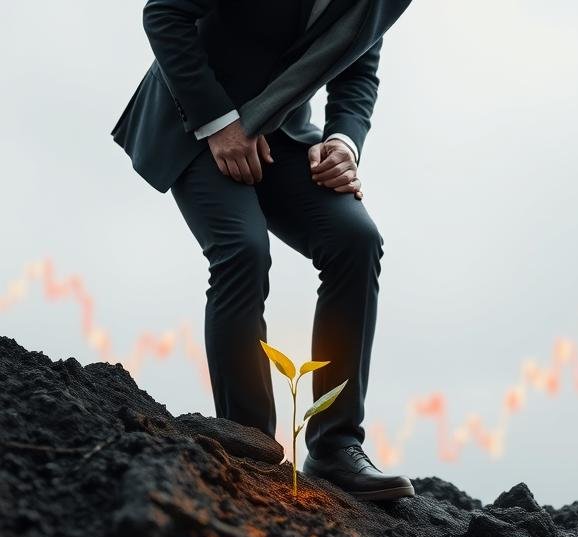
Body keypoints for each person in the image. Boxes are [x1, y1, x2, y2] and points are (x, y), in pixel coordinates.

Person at [111, 0, 414, 501]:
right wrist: (217, 122)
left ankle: (336, 446)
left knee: (357, 240)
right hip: (197, 122)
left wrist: (342, 142)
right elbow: (164, 13)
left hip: (284, 132)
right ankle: (246, 440)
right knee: (242, 249)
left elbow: (358, 68)